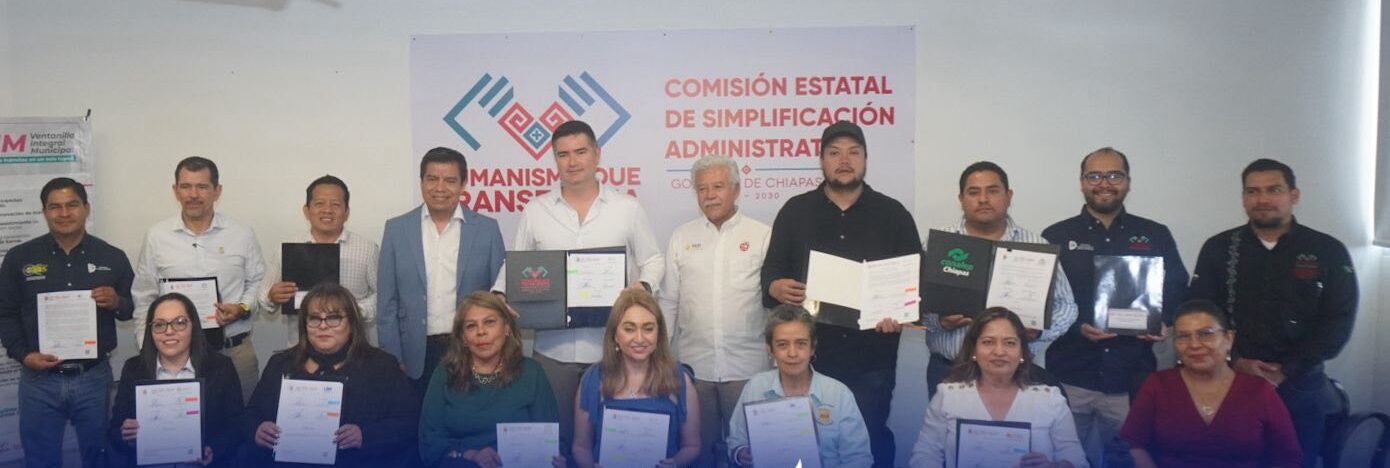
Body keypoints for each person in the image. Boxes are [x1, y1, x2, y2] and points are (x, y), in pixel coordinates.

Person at [493, 120, 665, 462]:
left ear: (597, 155)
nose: (572, 162)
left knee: (613, 441)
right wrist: (499, 295)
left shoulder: (627, 208)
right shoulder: (536, 210)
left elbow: (654, 259)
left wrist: (643, 286)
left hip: (612, 350)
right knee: (556, 442)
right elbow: (514, 266)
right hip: (552, 351)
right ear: (555, 159)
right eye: (563, 155)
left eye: (580, 152)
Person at [760, 120, 918, 467]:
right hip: (809, 358)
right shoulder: (795, 211)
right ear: (821, 161)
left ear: (865, 159)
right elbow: (769, 275)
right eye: (834, 153)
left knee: (868, 439)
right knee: (805, 443)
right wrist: (776, 286)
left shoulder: (893, 214)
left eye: (853, 152)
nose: (844, 160)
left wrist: (901, 312)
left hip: (872, 358)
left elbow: (914, 284)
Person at [1188, 158, 1357, 467]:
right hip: (1231, 380)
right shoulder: (1219, 248)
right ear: (1243, 198)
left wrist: (1287, 369)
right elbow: (1199, 312)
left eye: (1273, 190)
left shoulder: (1327, 250)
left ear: (1294, 195)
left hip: (1300, 386)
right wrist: (1236, 359)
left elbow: (1338, 321)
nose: (1262, 199)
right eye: (1252, 191)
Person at [1041, 147, 1188, 465]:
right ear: (1082, 182)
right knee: (1062, 462)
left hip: (1131, 380)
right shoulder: (1055, 236)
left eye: (1114, 175)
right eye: (1094, 175)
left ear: (1128, 182)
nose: (1104, 183)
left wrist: (1162, 321)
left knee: (1131, 462)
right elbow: (1042, 303)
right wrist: (1077, 327)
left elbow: (1178, 289)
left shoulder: (1155, 235)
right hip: (1070, 376)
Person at [0, 177, 134, 468]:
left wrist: (117, 302)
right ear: (44, 212)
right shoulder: (19, 258)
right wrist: (24, 355)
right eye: (55, 207)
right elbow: (5, 313)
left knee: (99, 456)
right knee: (40, 459)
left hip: (93, 377)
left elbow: (132, 309)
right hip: (38, 380)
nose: (64, 213)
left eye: (72, 205)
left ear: (86, 208)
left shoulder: (112, 256)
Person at [924, 161, 1077, 397]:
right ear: (961, 199)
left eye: (992, 191)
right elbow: (915, 302)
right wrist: (939, 322)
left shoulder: (1036, 245)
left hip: (1016, 374)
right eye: (973, 192)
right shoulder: (938, 245)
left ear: (1008, 196)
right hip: (949, 369)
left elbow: (1066, 306)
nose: (983, 199)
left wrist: (1039, 331)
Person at [659, 154, 772, 467]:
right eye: (702, 188)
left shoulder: (762, 235)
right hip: (694, 370)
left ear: (736, 189)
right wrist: (661, 358)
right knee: (697, 454)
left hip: (748, 369)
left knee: (750, 454)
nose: (710, 195)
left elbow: (774, 305)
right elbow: (668, 301)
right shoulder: (681, 237)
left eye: (718, 187)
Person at [132, 156, 266, 402]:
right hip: (173, 356)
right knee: (178, 421)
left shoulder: (242, 234)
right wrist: (147, 349)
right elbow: (144, 297)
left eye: (202, 187)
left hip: (234, 351)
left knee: (242, 419)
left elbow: (258, 282)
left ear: (217, 191)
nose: (193, 195)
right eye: (186, 186)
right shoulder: (157, 236)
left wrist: (242, 308)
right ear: (175, 190)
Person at [244, 284, 420, 467]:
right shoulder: (280, 364)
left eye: (334, 318)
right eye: (314, 319)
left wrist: (366, 435)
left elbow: (409, 421)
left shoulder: (381, 366)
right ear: (304, 325)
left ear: (351, 324)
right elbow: (251, 414)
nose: (323, 326)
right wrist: (257, 429)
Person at [378, 147, 505, 388]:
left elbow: (497, 298)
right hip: (414, 353)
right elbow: (387, 303)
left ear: (463, 184)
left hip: (472, 348)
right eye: (432, 179)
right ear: (421, 182)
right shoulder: (396, 229)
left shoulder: (487, 230)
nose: (440, 188)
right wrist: (392, 357)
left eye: (450, 181)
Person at [1120, 299, 1301, 468]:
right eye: (1183, 336)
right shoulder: (1158, 385)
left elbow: (1288, 457)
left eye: (1206, 334)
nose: (1194, 345)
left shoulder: (1259, 391)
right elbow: (1132, 443)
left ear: (1229, 339)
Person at [910, 308, 1088, 468]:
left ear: (1022, 352)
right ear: (974, 350)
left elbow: (1078, 460)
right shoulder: (948, 395)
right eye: (988, 342)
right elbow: (924, 455)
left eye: (1010, 343)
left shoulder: (1050, 400)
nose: (999, 352)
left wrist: (1054, 466)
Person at [419, 292, 560, 468]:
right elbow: (429, 441)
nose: (481, 332)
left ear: (506, 328)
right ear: (463, 337)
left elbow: (553, 437)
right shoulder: (444, 373)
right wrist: (470, 455)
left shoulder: (531, 372)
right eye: (471, 326)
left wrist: (555, 459)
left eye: (489, 322)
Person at [726, 305, 872, 468]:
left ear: (812, 348)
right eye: (782, 345)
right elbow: (736, 440)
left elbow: (859, 458)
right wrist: (740, 453)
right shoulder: (755, 386)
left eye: (801, 344)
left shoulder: (839, 394)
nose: (792, 353)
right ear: (770, 350)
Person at [567, 289, 699, 468]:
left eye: (648, 329)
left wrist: (675, 463)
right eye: (629, 329)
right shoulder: (593, 379)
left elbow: (692, 446)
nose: (639, 338)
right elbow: (581, 447)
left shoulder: (680, 379)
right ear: (615, 335)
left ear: (659, 334)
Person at [108, 293, 243, 467]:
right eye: (159, 325)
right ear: (150, 330)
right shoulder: (134, 369)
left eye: (179, 323)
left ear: (193, 326)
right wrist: (126, 436)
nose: (169, 331)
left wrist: (213, 450)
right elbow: (114, 432)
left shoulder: (220, 367)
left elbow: (237, 425)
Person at [259, 175, 379, 345]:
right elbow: (263, 295)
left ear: (347, 212)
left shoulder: (367, 249)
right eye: (319, 203)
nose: (327, 210)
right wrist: (272, 296)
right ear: (306, 211)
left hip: (352, 347)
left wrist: (355, 310)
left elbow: (383, 294)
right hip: (300, 346)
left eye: (335, 204)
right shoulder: (287, 248)